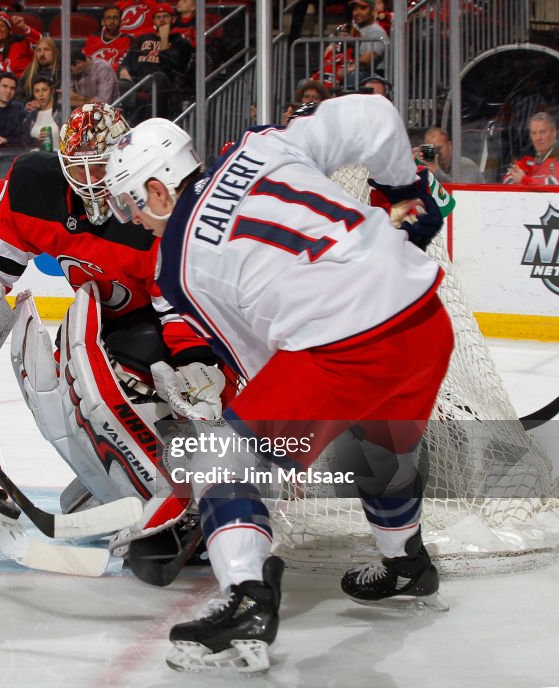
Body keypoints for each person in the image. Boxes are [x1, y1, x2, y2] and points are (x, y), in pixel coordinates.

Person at [104, 98, 453, 673]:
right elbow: (373, 115)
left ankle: (245, 597)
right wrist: (401, 187)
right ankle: (406, 562)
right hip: (423, 319)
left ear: (159, 190)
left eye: (131, 203)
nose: (132, 219)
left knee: (222, 460)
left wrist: (268, 457)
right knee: (380, 443)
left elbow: (261, 360)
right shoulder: (262, 143)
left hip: (347, 348)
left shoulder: (178, 264)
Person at [0, 103, 232, 588]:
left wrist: (194, 358)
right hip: (112, 325)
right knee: (55, 374)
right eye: (77, 168)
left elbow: (181, 300)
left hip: (165, 325)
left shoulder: (150, 205)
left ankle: (188, 491)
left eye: (100, 167)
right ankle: (123, 482)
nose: (90, 181)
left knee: (100, 369)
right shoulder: (36, 187)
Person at [503, 112, 559, 185]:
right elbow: (508, 179)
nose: (538, 138)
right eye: (534, 133)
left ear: (554, 132)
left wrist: (525, 180)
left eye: (543, 132)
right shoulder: (528, 153)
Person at [419, 126, 484, 184]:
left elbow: (462, 192)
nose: (436, 153)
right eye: (431, 150)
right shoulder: (424, 167)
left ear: (449, 146)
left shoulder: (466, 165)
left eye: (438, 148)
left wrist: (436, 171)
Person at [84, 5, 132, 72]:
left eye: (115, 18)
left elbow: (124, 65)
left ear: (121, 22)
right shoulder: (93, 38)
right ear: (102, 22)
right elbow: (84, 61)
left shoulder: (128, 40)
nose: (112, 21)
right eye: (108, 18)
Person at [23, 76, 60, 150]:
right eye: (37, 91)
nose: (41, 94)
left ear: (51, 91)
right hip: (34, 157)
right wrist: (36, 141)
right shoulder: (31, 116)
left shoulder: (61, 112)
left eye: (44, 90)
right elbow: (24, 141)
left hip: (56, 157)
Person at [18, 37, 59, 104]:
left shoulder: (61, 72)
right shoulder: (30, 72)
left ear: (54, 52)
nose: (42, 54)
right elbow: (19, 98)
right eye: (38, 50)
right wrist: (27, 104)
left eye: (46, 49)